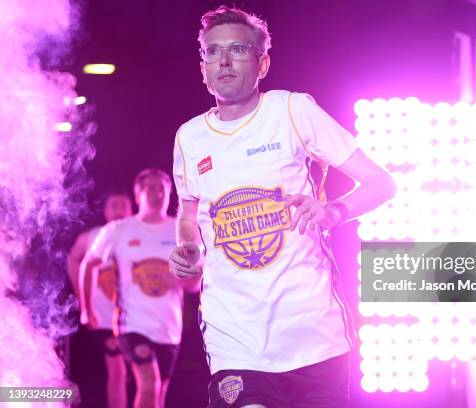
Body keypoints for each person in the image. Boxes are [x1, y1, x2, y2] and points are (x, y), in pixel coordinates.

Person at [170, 6, 396, 408]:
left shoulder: (292, 111)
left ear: (263, 63)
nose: (223, 61)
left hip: (313, 335)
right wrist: (188, 247)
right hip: (235, 339)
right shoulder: (189, 138)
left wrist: (334, 211)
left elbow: (381, 183)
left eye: (238, 50)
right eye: (212, 51)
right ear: (201, 65)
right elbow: (189, 213)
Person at [81, 168, 199, 408]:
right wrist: (87, 308)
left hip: (168, 329)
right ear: (138, 195)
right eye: (150, 189)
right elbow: (87, 265)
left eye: (162, 190)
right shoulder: (119, 229)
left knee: (159, 396)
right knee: (149, 383)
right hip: (131, 325)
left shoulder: (180, 232)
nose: (157, 194)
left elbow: (195, 285)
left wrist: (180, 279)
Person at [67, 190, 132, 408]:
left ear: (131, 209)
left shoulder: (141, 234)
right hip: (104, 317)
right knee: (118, 370)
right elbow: (73, 260)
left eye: (123, 205)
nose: (119, 210)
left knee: (142, 372)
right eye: (114, 205)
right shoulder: (91, 237)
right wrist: (82, 299)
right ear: (105, 211)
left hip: (137, 317)